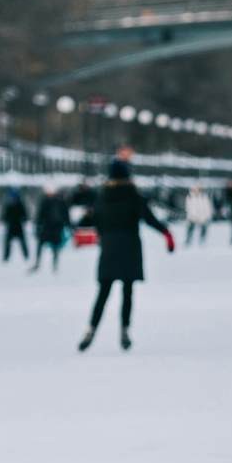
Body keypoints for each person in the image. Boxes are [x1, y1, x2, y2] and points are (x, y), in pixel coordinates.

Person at [77, 148, 174, 352]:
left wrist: (101, 234)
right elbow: (148, 218)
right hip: (130, 246)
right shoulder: (133, 195)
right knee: (127, 291)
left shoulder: (102, 196)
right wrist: (166, 233)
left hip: (110, 248)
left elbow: (95, 221)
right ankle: (125, 330)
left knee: (103, 292)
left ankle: (91, 329)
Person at [30, 185, 71, 274]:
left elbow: (65, 214)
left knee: (55, 247)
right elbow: (40, 214)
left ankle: (55, 265)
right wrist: (38, 226)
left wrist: (68, 225)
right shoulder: (44, 201)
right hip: (46, 227)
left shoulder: (60, 201)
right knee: (41, 245)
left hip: (56, 227)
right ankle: (37, 263)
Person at [0, 186, 30, 264]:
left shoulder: (19, 204)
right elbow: (5, 215)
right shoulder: (8, 205)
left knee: (22, 242)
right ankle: (6, 257)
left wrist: (24, 219)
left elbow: (25, 214)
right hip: (11, 226)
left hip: (18, 226)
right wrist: (3, 219)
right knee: (8, 243)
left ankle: (26, 256)